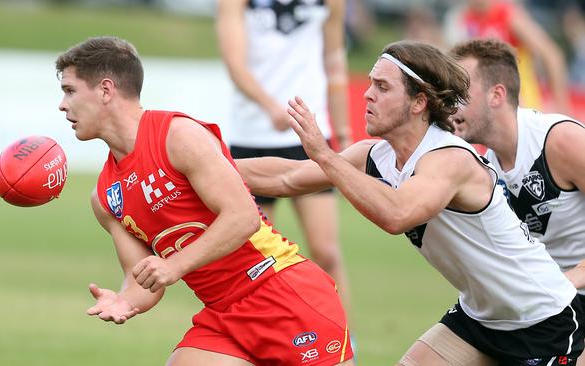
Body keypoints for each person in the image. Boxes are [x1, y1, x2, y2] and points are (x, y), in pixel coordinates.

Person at [235, 40, 584, 364]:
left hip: (543, 320)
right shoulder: (377, 156)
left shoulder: (450, 158)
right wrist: (207, 161)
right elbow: (286, 177)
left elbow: (397, 214)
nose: (368, 95)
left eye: (382, 87)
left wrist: (326, 157)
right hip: (480, 317)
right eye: (370, 84)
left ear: (419, 102)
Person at [55, 36, 354, 366]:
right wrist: (127, 300)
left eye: (69, 90)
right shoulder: (105, 196)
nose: (62, 104)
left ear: (105, 90)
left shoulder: (177, 136)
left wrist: (173, 265)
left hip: (281, 293)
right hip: (224, 314)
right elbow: (143, 279)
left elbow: (243, 217)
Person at [449, 37, 585, 365]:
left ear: (497, 95)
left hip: (566, 300)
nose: (450, 107)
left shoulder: (560, 141)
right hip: (539, 304)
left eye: (460, 95)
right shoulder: (482, 166)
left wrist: (572, 277)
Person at [216, 0, 353, 317]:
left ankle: (344, 342)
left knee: (327, 251)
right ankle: (259, 342)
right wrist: (270, 107)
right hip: (252, 138)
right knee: (255, 257)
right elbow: (235, 64)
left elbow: (334, 62)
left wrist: (342, 133)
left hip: (311, 137)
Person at [443, 0, 572, 114]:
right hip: (488, 107)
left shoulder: (509, 15)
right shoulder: (464, 19)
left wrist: (562, 108)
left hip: (521, 105)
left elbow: (552, 56)